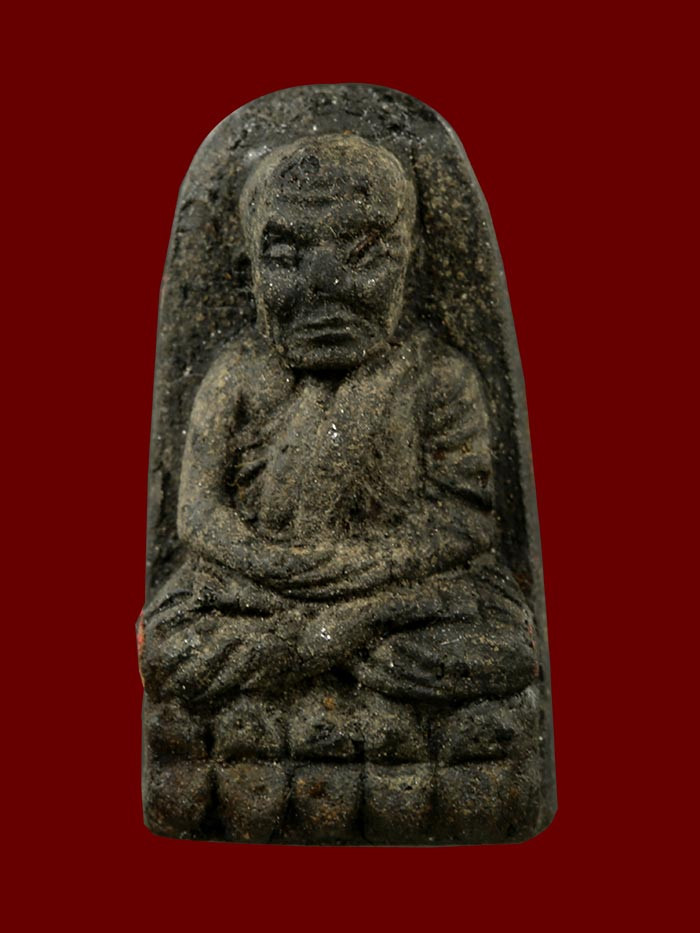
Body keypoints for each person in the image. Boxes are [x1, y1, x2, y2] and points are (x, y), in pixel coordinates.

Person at [140, 134, 538, 842]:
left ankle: (294, 685)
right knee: (171, 641)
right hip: (260, 590)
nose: (323, 285)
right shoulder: (236, 375)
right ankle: (351, 680)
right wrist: (272, 566)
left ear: (410, 259)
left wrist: (360, 579)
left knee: (503, 641)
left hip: (395, 593)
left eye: (362, 254)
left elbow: (466, 519)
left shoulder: (438, 376)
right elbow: (197, 515)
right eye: (287, 257)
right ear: (247, 269)